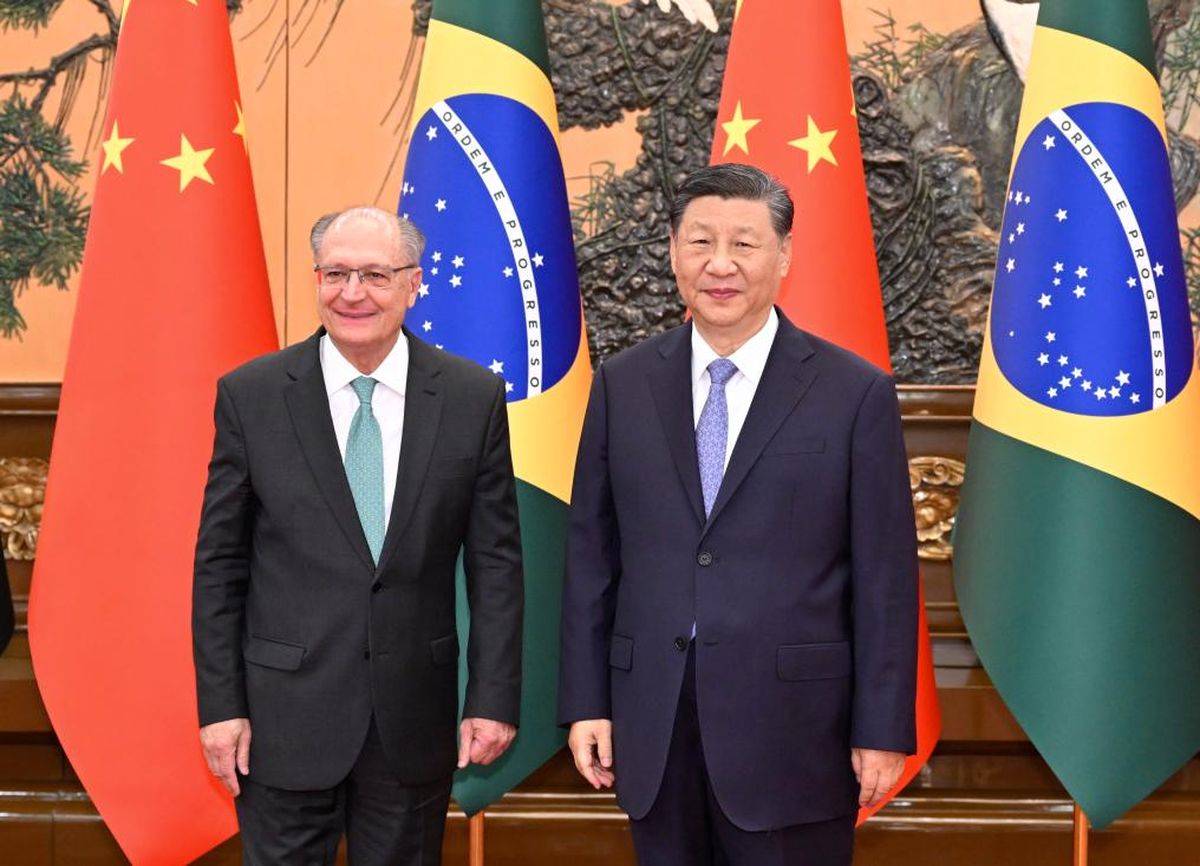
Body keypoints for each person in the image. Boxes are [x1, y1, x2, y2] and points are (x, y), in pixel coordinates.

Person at [558, 164, 918, 865]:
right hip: (653, 721)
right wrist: (586, 701)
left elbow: (884, 577)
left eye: (744, 244)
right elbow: (591, 558)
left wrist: (881, 728)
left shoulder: (853, 393)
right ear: (673, 252)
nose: (719, 264)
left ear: (784, 256)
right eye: (700, 242)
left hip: (796, 732)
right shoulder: (621, 384)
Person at [192, 206, 523, 865]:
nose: (352, 293)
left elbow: (496, 564)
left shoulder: (470, 397)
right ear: (316, 280)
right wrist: (220, 707)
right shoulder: (252, 396)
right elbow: (219, 566)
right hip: (281, 719)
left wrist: (492, 699)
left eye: (374, 274)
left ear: (414, 283)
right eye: (336, 273)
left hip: (411, 721)